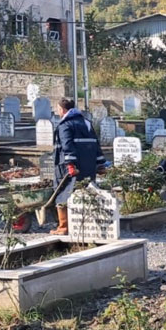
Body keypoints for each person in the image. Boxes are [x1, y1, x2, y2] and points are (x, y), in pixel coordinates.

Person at [49, 99, 103, 235]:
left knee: (63, 193)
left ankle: (63, 227)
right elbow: (96, 144)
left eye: (58, 109)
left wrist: (70, 164)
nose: (57, 112)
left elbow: (67, 146)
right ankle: (86, 225)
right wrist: (100, 163)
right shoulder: (87, 123)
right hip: (88, 165)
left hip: (68, 166)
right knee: (86, 192)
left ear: (62, 110)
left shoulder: (65, 125)